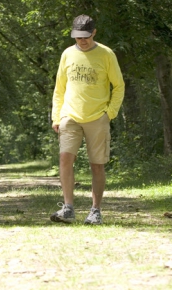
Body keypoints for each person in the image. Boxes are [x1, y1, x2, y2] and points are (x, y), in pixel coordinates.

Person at [50, 14, 125, 225]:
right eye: (77, 37)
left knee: (97, 165)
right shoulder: (67, 54)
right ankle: (68, 208)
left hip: (97, 116)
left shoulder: (106, 54)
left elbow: (118, 86)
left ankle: (95, 211)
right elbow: (59, 88)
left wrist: (109, 113)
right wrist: (57, 116)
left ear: (94, 32)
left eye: (85, 36)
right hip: (70, 115)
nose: (82, 41)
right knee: (65, 158)